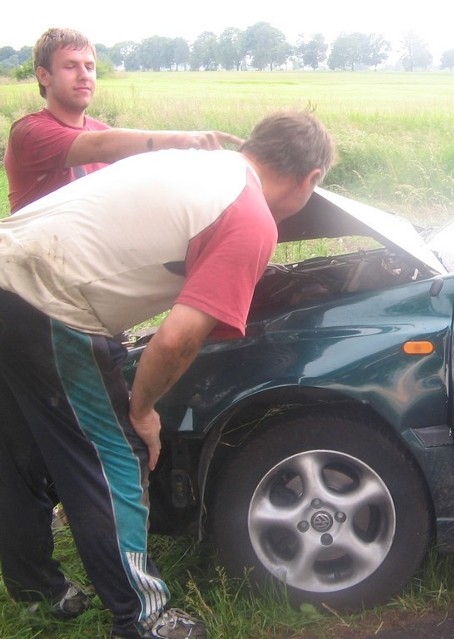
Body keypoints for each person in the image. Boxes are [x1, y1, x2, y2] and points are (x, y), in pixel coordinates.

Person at [0, 109, 336, 639]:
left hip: (6, 268)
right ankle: (143, 617)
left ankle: (40, 592)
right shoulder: (249, 216)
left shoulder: (198, 164)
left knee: (18, 449)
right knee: (114, 455)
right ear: (310, 178)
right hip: (50, 303)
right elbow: (177, 338)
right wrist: (142, 409)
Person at [4, 27, 243, 212]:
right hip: (35, 266)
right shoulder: (30, 132)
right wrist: (184, 139)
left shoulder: (99, 130)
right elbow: (103, 147)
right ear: (44, 75)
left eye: (89, 66)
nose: (84, 75)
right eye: (70, 66)